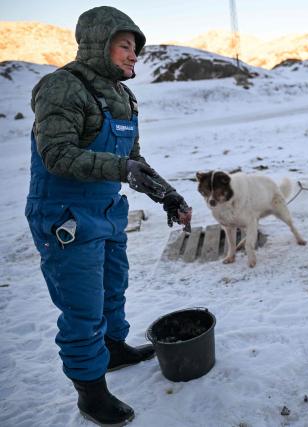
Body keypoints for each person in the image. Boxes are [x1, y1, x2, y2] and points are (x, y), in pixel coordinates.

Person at [25, 6, 192, 426]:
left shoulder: (121, 95)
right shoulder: (62, 87)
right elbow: (57, 154)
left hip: (105, 210)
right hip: (64, 215)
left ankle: (114, 349)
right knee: (82, 309)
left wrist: (166, 194)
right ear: (99, 45)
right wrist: (121, 170)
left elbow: (130, 158)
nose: (133, 56)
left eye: (135, 48)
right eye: (124, 46)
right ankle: (91, 394)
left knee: (113, 290)